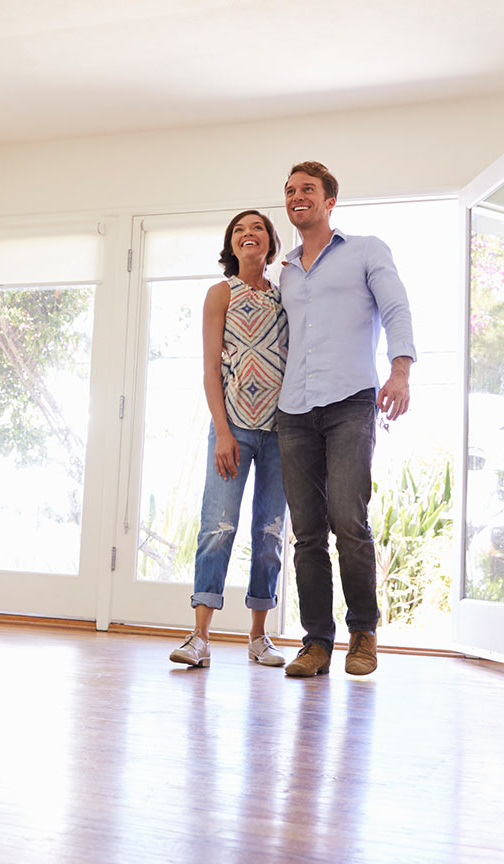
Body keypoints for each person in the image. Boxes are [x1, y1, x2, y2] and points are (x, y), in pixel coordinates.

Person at [276, 161, 415, 679]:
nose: (297, 197)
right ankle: (316, 642)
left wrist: (399, 372)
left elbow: (397, 308)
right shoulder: (285, 270)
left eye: (307, 189)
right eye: (290, 191)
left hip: (351, 401)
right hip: (292, 410)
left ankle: (364, 634)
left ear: (330, 201)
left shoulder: (365, 250)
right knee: (307, 534)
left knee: (348, 521)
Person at [169, 209, 290, 669]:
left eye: (256, 228)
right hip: (234, 428)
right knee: (218, 528)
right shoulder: (220, 293)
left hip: (280, 431)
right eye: (239, 230)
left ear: (270, 241)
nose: (247, 235)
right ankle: (199, 637)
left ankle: (259, 637)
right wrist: (222, 431)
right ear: (231, 245)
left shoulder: (284, 297)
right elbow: (209, 370)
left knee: (270, 533)